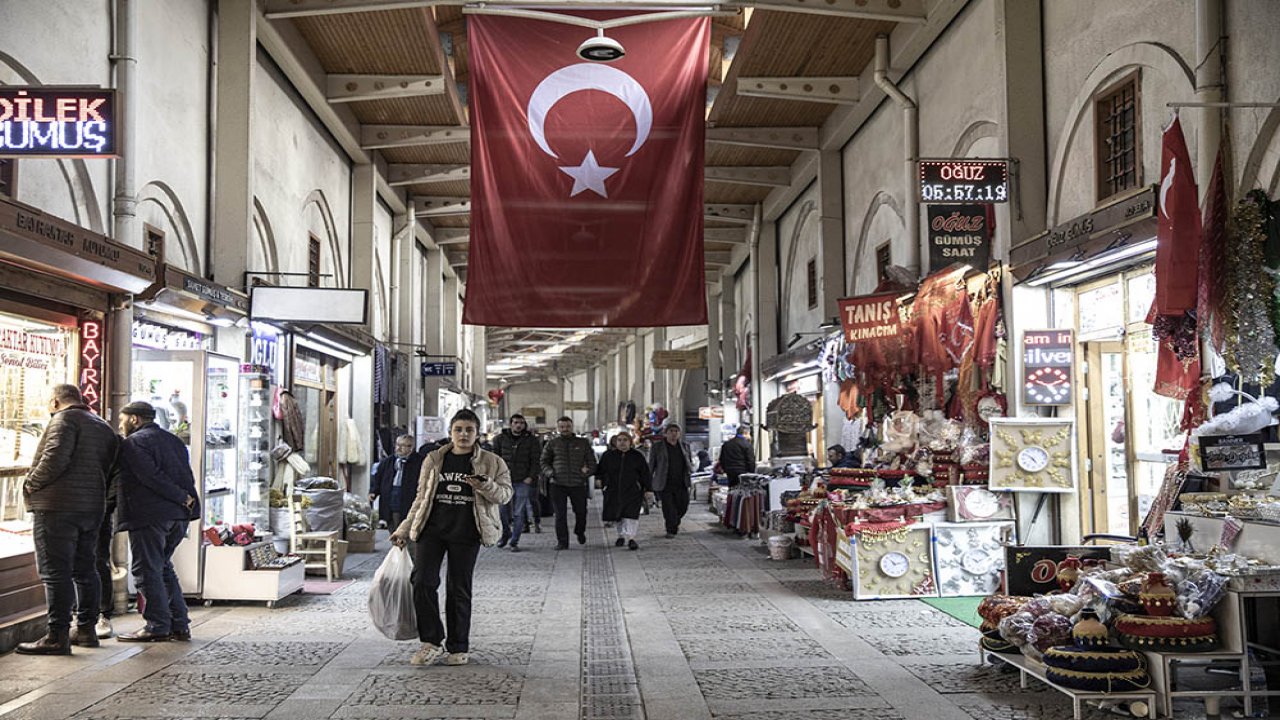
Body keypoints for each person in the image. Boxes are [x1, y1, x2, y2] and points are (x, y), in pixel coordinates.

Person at [392, 409, 513, 667]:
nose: (463, 435)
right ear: (450, 433)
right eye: (459, 429)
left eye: (469, 430)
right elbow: (421, 497)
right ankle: (431, 641)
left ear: (477, 433)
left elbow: (505, 495)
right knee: (423, 582)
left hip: (466, 533)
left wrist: (485, 485)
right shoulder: (434, 459)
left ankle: (458, 646)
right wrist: (404, 528)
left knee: (458, 589)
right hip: (431, 531)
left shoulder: (492, 462)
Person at [18, 384, 120, 655]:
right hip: (91, 507)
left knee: (55, 572)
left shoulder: (63, 421)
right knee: (85, 568)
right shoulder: (101, 425)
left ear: (54, 402)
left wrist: (30, 484)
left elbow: (54, 459)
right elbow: (111, 466)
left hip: (57, 506)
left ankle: (57, 635)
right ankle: (86, 629)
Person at [114, 401, 198, 642]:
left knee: (146, 569)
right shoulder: (172, 439)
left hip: (151, 514)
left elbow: (150, 477)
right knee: (162, 566)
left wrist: (180, 496)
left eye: (122, 421)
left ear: (135, 420)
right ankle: (179, 624)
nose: (121, 426)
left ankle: (157, 624)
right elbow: (185, 474)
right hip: (178, 515)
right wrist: (184, 500)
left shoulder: (135, 442)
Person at [539, 416, 597, 549]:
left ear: (572, 427)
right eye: (562, 427)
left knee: (581, 511)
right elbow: (543, 461)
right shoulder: (552, 443)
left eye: (567, 426)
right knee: (560, 514)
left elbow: (592, 462)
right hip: (558, 484)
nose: (565, 429)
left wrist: (585, 473)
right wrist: (550, 473)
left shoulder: (583, 443)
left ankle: (580, 531)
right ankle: (562, 541)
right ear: (558, 428)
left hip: (577, 484)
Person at [491, 414, 542, 551]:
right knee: (502, 511)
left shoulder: (531, 441)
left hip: (523, 481)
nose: (518, 425)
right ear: (511, 424)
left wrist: (531, 476)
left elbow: (536, 460)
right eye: (516, 422)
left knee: (518, 512)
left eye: (521, 423)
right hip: (504, 481)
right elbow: (494, 459)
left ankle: (514, 540)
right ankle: (505, 533)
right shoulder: (500, 439)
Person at [597, 433, 653, 550]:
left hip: (633, 491)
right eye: (619, 440)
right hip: (613, 490)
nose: (622, 443)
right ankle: (621, 535)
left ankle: (631, 538)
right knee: (618, 514)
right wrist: (600, 480)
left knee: (631, 515)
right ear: (615, 442)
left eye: (625, 440)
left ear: (630, 442)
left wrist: (648, 489)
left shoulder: (637, 456)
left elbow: (645, 474)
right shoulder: (608, 456)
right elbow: (600, 470)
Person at [647, 423, 694, 538]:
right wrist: (648, 483)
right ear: (666, 433)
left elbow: (689, 461)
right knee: (668, 507)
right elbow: (651, 465)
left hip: (682, 482)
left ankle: (674, 521)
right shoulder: (657, 447)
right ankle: (671, 529)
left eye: (676, 431)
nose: (674, 434)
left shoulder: (685, 446)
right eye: (671, 431)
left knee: (683, 505)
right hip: (665, 483)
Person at [370, 434, 423, 529]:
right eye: (397, 445)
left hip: (408, 502)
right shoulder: (388, 461)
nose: (398, 448)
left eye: (402, 446)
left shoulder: (419, 462)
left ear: (411, 447)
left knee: (405, 529)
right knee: (393, 528)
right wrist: (373, 491)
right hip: (390, 501)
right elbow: (378, 477)